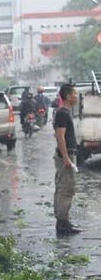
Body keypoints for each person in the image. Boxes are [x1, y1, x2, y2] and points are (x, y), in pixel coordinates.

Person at [53, 83, 81, 236]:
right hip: (66, 155)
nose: (77, 96)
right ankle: (62, 224)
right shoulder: (63, 113)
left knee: (63, 188)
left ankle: (63, 221)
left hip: (68, 154)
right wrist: (66, 158)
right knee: (66, 189)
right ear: (68, 96)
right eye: (75, 94)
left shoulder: (64, 112)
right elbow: (60, 136)